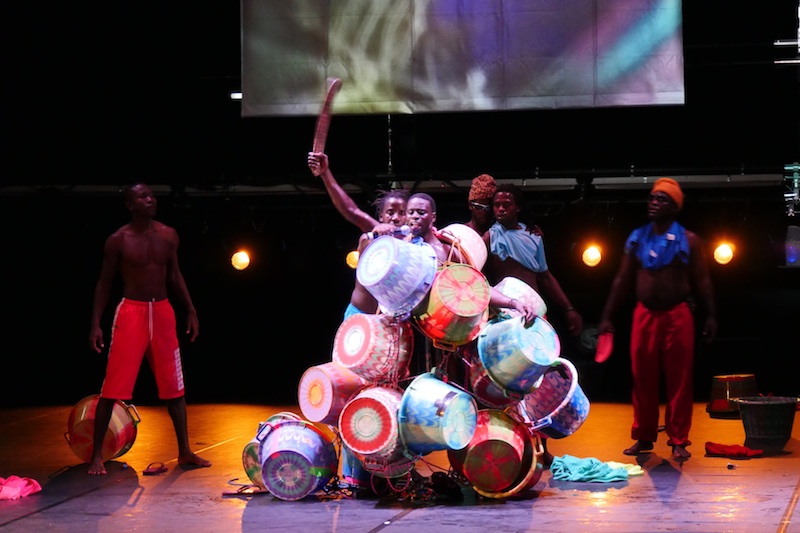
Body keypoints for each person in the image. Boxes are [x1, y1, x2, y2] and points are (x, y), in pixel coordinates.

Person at [87, 183, 211, 475]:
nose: (150, 200)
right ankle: (96, 455)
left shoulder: (168, 235)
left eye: (151, 196)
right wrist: (95, 323)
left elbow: (175, 274)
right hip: (132, 312)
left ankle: (184, 452)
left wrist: (190, 309)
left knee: (175, 387)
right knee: (112, 388)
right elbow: (104, 282)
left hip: (164, 311)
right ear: (130, 205)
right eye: (143, 197)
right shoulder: (118, 240)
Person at [597, 178, 717, 460]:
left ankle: (678, 439)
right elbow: (621, 280)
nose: (653, 202)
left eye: (661, 199)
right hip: (645, 315)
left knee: (680, 379)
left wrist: (711, 314)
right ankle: (644, 436)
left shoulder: (689, 240)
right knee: (642, 378)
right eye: (652, 197)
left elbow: (703, 280)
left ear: (674, 207)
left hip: (678, 315)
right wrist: (607, 317)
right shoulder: (637, 237)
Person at [481, 183, 584, 466]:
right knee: (513, 385)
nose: (501, 209)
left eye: (507, 204)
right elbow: (477, 276)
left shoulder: (533, 235)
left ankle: (542, 444)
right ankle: (516, 445)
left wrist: (569, 308)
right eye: (497, 205)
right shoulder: (489, 237)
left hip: (536, 317)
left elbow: (545, 276)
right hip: (509, 319)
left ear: (517, 207)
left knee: (540, 382)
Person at [308, 151, 409, 316]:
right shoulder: (373, 235)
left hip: (392, 321)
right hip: (360, 315)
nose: (396, 218)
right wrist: (325, 173)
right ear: (381, 216)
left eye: (402, 212)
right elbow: (351, 210)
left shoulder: (416, 245)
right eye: (390, 212)